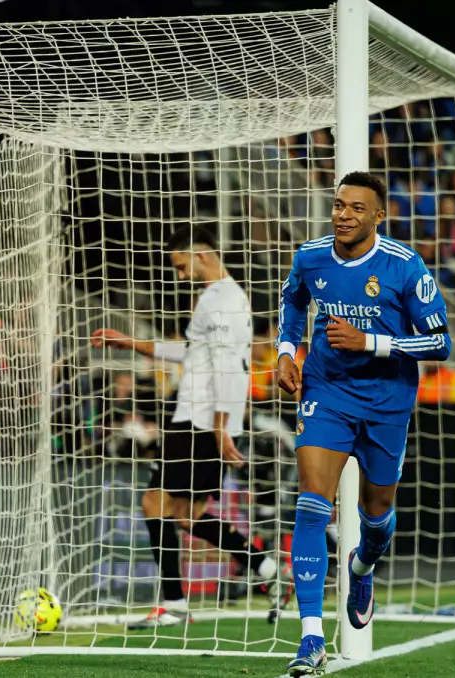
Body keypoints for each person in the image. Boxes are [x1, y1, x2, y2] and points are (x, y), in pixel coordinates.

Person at [275, 171, 451, 676]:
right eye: (338, 205)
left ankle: (363, 565)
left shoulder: (403, 265)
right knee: (312, 504)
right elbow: (293, 302)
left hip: (387, 400)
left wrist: (369, 342)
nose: (343, 215)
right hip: (326, 392)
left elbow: (440, 342)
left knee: (376, 515)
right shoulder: (310, 256)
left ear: (378, 216)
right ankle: (311, 638)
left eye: (356, 208)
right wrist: (286, 350)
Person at [91, 224, 285, 628]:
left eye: (181, 267)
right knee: (186, 515)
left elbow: (227, 367)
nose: (179, 275)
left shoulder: (223, 301)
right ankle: (267, 570)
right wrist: (132, 343)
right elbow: (193, 353)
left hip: (200, 420)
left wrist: (220, 427)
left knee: (156, 505)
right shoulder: (216, 297)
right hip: (201, 419)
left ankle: (175, 603)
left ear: (201, 255)